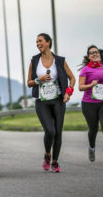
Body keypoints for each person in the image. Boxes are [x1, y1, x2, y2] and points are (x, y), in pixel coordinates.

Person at [27, 33, 75, 173]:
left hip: (58, 99)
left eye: (40, 41)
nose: (38, 44)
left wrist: (68, 92)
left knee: (58, 132)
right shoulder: (34, 61)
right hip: (42, 101)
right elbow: (29, 83)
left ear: (48, 42)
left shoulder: (59, 60)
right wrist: (39, 79)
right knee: (50, 131)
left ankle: (55, 162)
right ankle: (48, 154)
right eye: (36, 42)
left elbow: (72, 78)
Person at [79, 45, 103, 164]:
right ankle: (91, 148)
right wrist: (91, 85)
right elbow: (80, 87)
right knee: (93, 129)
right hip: (89, 104)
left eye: (96, 52)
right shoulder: (85, 70)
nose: (95, 54)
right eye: (92, 53)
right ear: (89, 56)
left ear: (99, 55)